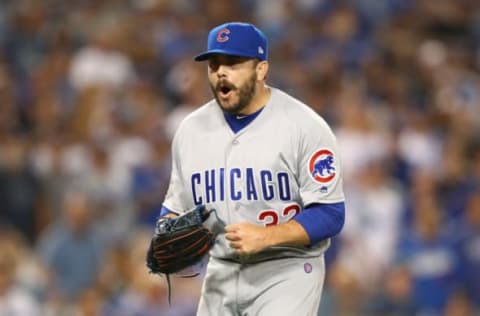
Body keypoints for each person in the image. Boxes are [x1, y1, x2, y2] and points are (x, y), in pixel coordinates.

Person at [159, 22, 346, 316]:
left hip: (287, 270)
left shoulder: (304, 126)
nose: (221, 72)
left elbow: (331, 214)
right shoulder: (190, 130)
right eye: (214, 65)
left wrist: (268, 235)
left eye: (233, 63)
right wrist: (169, 234)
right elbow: (174, 208)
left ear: (261, 70)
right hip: (220, 272)